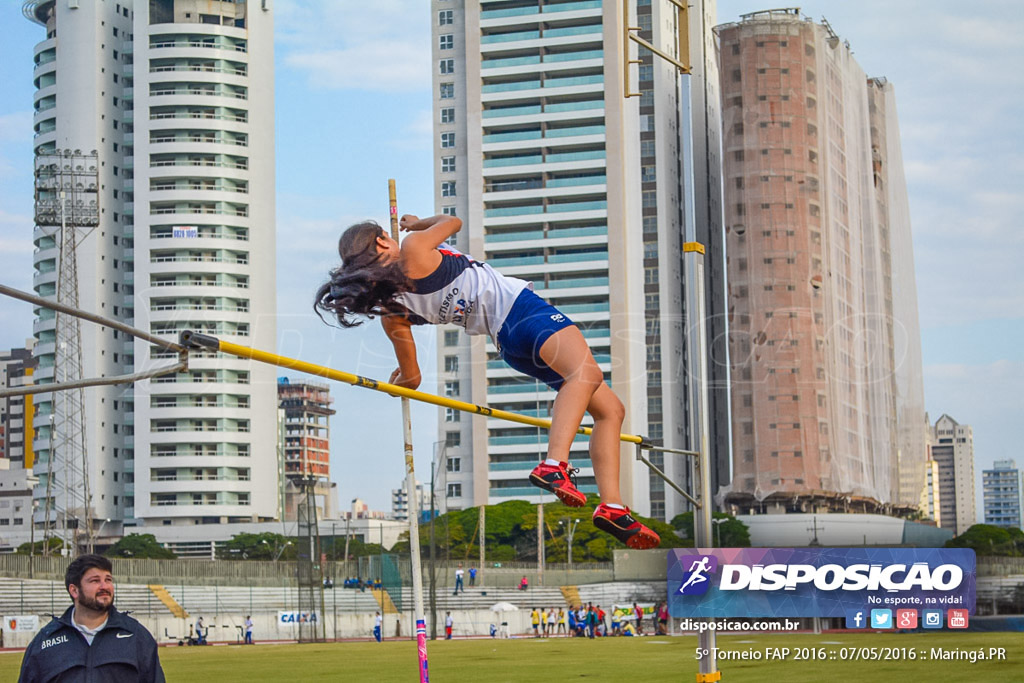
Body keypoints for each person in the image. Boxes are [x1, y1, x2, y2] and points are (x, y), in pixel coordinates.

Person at [314, 214, 660, 549]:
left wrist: (399, 379)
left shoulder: (390, 310)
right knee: (586, 375)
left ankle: (612, 505)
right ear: (381, 240)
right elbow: (453, 223)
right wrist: (417, 224)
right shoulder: (415, 246)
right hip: (524, 313)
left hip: (509, 344)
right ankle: (554, 464)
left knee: (610, 410)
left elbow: (413, 378)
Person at [18, 554, 165, 683]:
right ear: (74, 590)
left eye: (108, 579)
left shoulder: (136, 636)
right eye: (95, 581)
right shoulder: (45, 642)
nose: (104, 586)